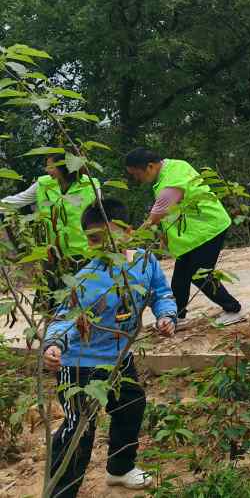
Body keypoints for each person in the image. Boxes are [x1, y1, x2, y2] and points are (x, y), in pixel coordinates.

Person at [42, 198, 177, 496]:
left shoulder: (144, 261)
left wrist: (166, 315)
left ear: (128, 232)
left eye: (109, 235)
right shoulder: (85, 279)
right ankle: (61, 491)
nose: (102, 244)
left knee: (131, 405)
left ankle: (120, 469)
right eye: (93, 239)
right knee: (80, 428)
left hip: (119, 359)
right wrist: (53, 344)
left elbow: (160, 292)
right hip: (79, 364)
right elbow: (64, 318)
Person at [124, 149, 243, 327]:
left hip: (208, 229)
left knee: (200, 274)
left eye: (136, 174)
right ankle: (176, 317)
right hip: (194, 234)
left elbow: (155, 217)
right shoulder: (174, 165)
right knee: (180, 276)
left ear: (150, 166)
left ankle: (234, 309)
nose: (136, 179)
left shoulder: (170, 183)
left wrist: (130, 239)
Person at [2, 151, 101, 312]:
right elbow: (16, 201)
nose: (47, 171)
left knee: (84, 303)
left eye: (51, 167)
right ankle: (51, 336)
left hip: (84, 254)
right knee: (50, 304)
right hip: (53, 255)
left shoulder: (91, 185)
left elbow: (101, 217)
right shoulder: (43, 184)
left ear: (64, 168)